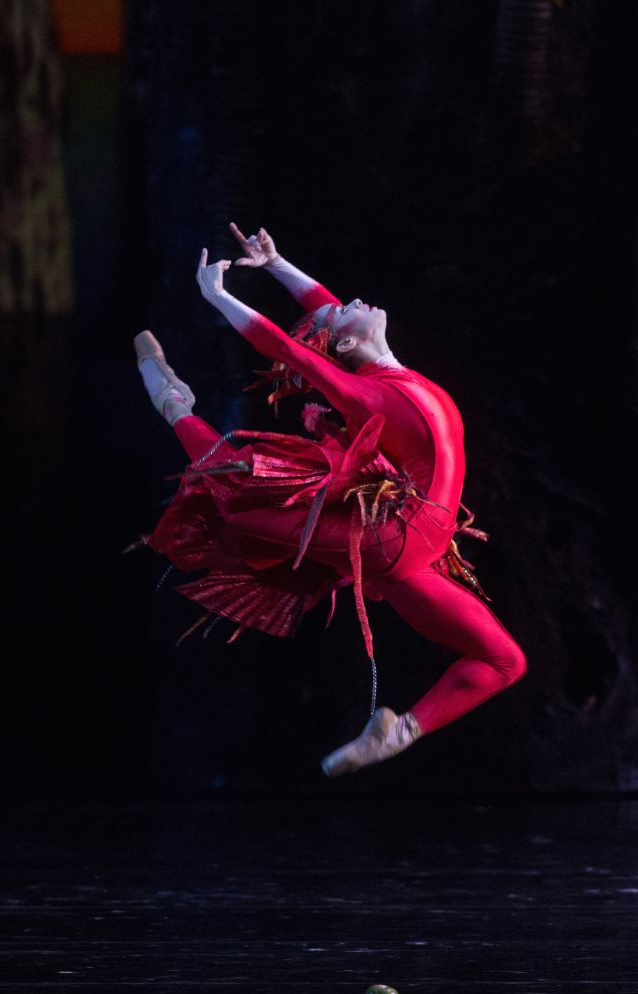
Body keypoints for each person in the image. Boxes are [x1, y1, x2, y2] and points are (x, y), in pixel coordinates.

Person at [131, 222, 526, 777]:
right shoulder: (367, 393)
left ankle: (397, 732)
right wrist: (217, 295)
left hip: (416, 562)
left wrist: (275, 264)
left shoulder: (393, 371)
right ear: (347, 344)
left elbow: (325, 308)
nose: (348, 302)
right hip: (396, 540)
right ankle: (175, 403)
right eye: (344, 314)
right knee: (239, 481)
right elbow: (289, 349)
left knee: (506, 661)